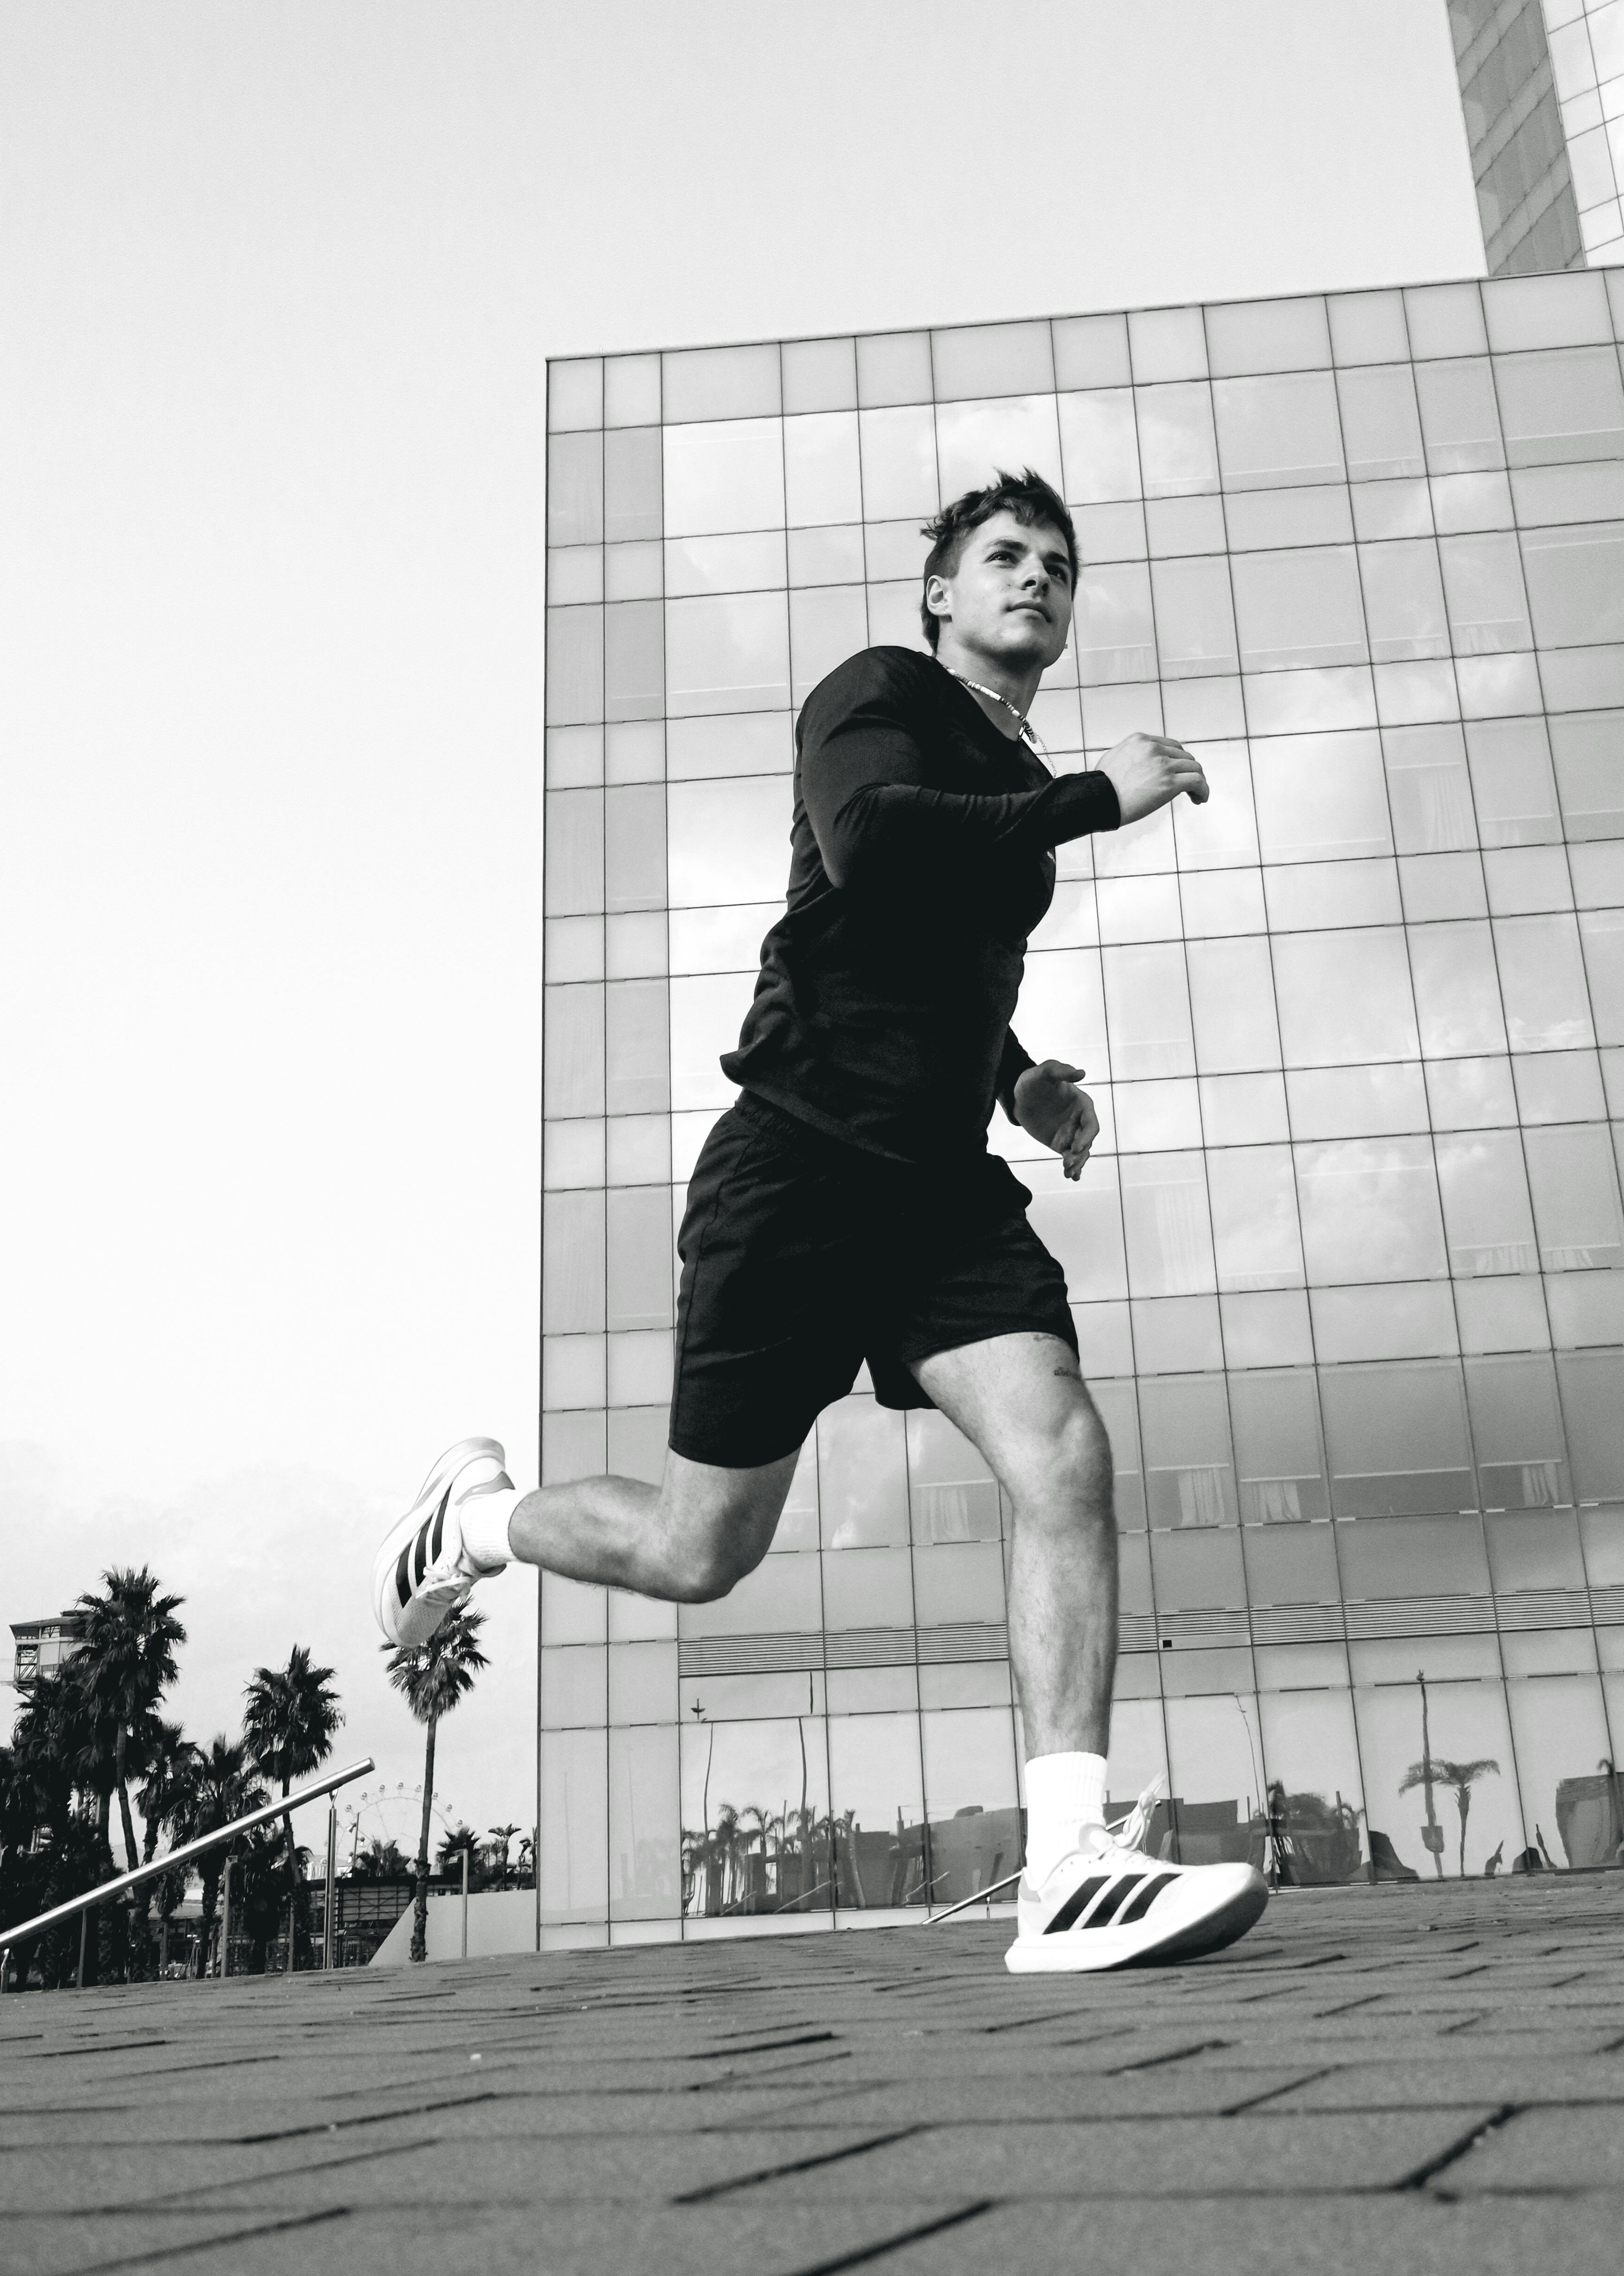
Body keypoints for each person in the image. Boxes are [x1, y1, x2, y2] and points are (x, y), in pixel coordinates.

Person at [375, 467, 1268, 1972]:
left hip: (936, 1195)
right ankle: (474, 1521)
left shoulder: (1002, 768)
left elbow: (913, 963)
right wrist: (1092, 801)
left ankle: (1068, 1864)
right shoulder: (876, 695)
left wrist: (1016, 1083)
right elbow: (868, 846)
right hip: (793, 1168)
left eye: (1058, 563)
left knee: (1064, 1448)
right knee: (697, 1550)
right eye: (1004, 556)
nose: (1037, 579)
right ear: (941, 592)